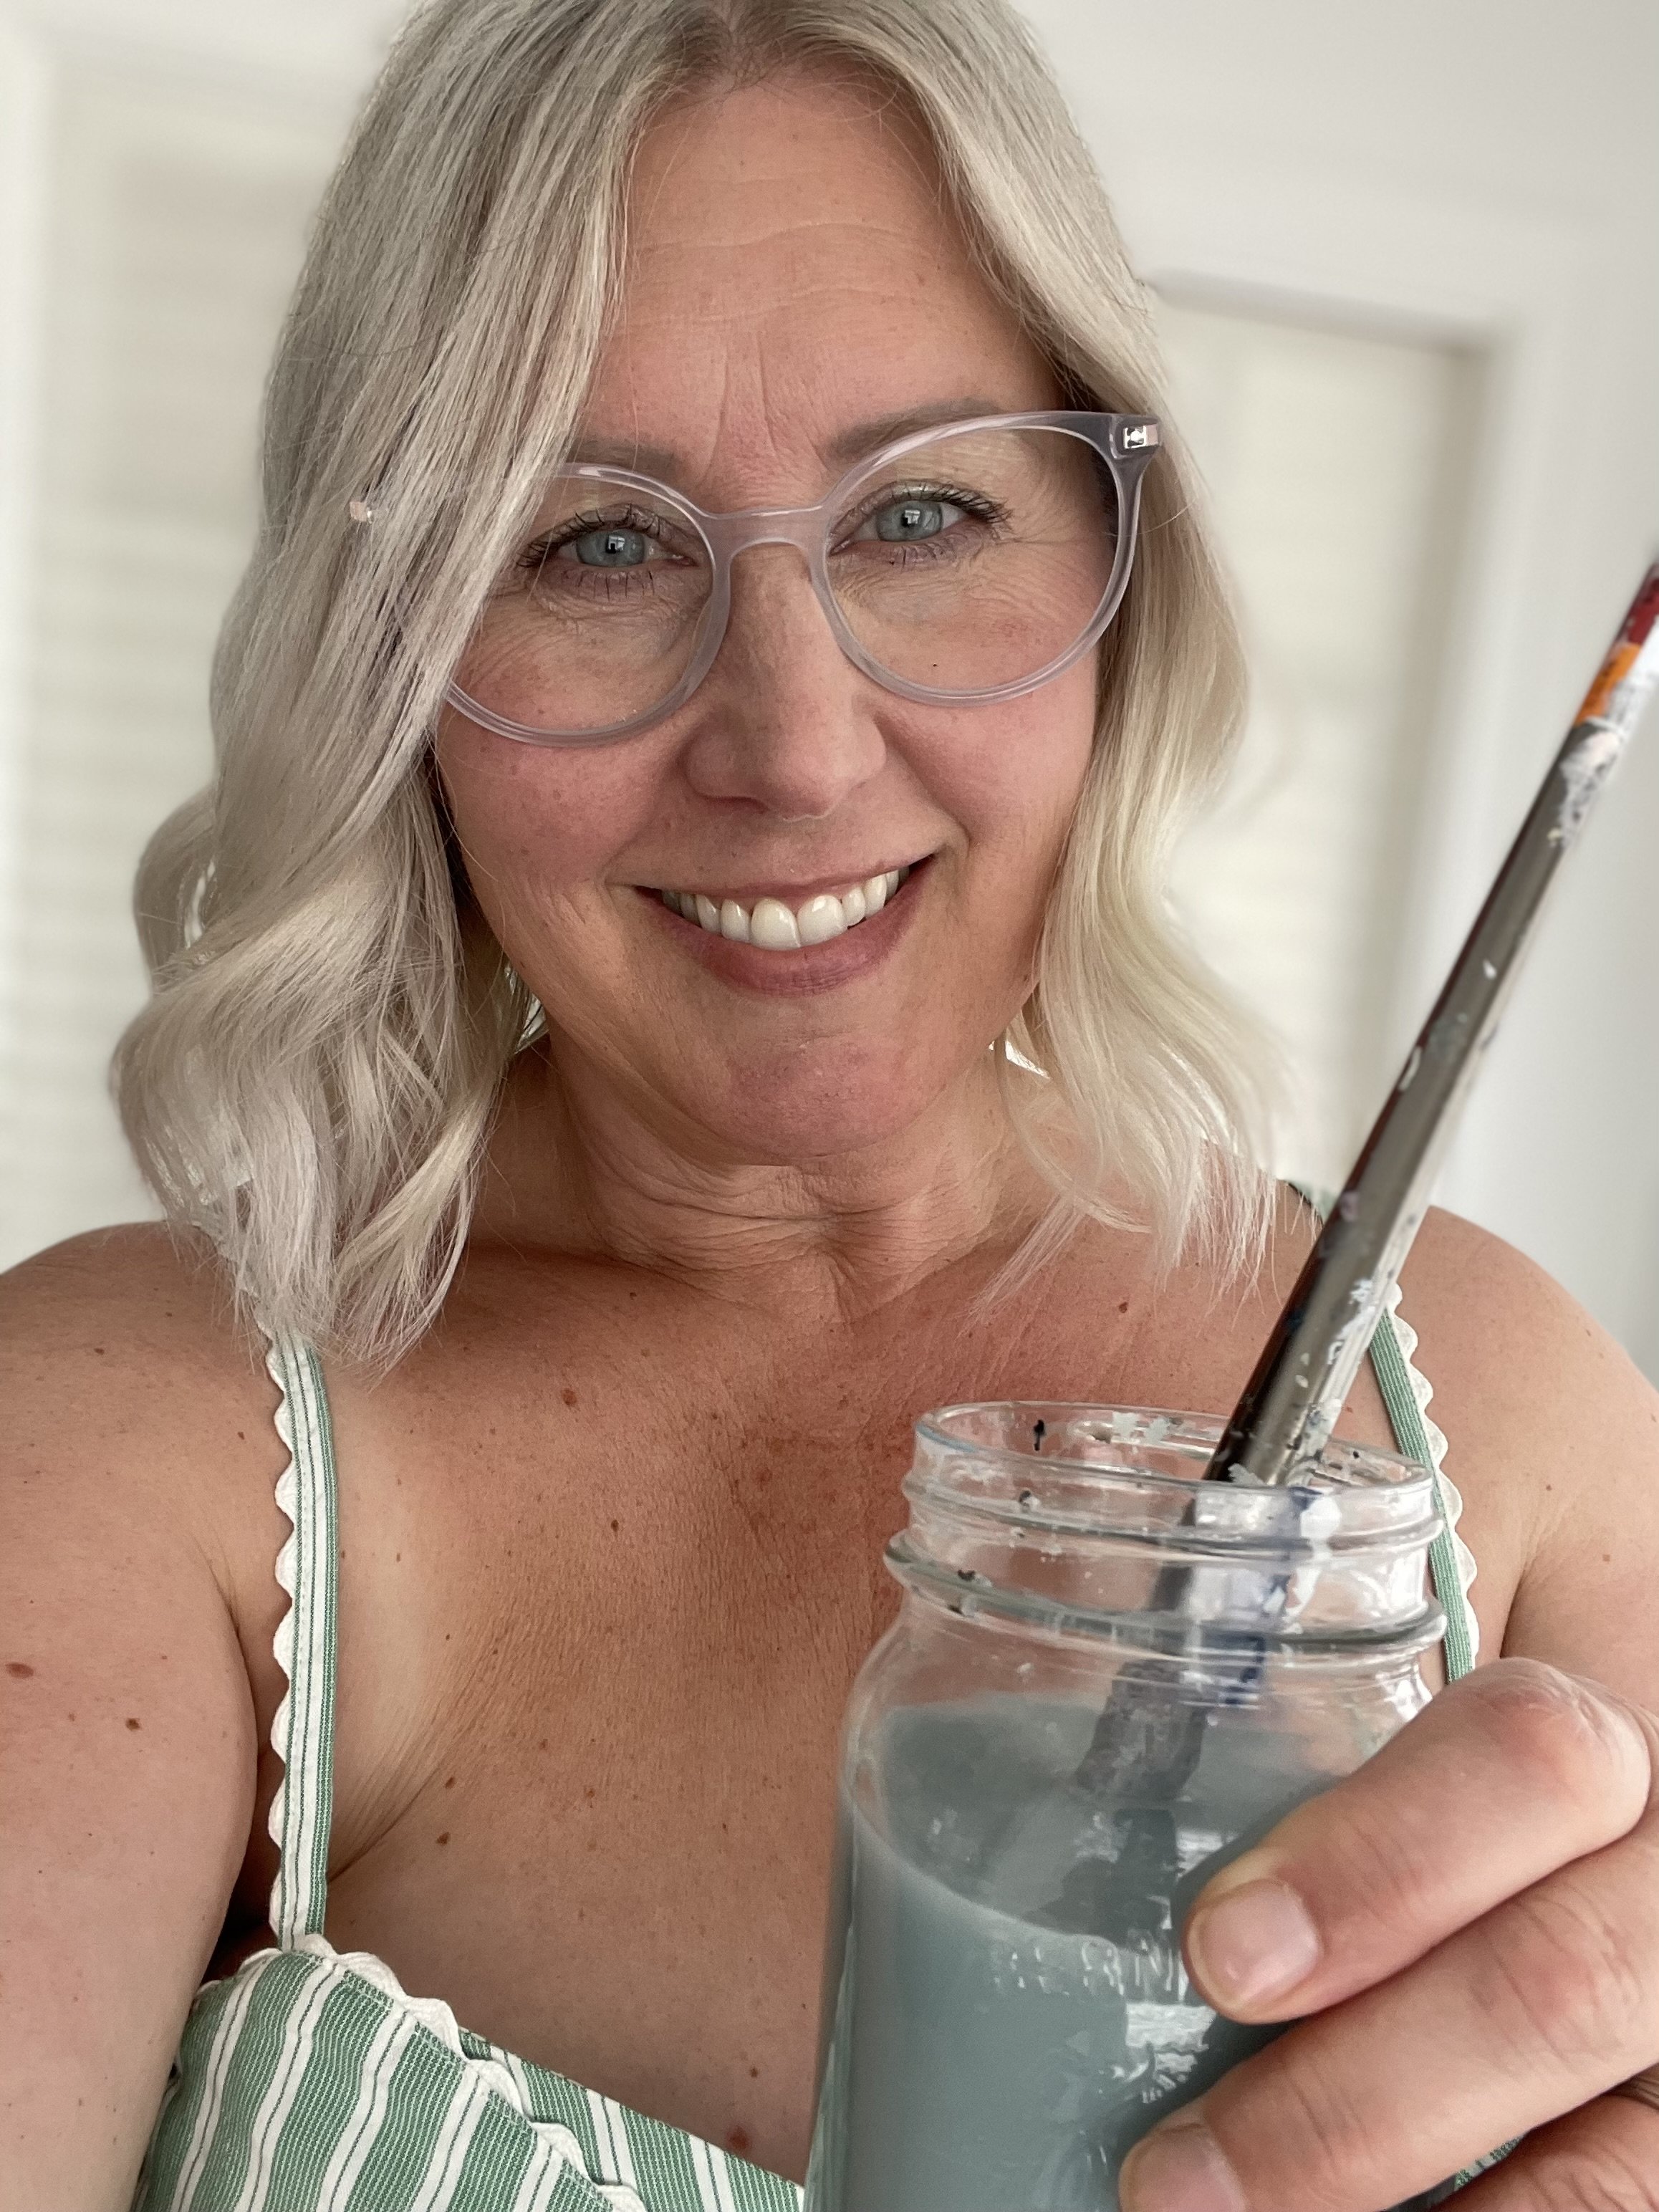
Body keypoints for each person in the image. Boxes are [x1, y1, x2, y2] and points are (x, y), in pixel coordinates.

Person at [4, 1, 1657, 2206]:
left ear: (1109, 586)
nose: (789, 745)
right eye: (592, 544)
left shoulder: (1484, 1417)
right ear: (384, 653)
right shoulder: (136, 1439)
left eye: (926, 513)